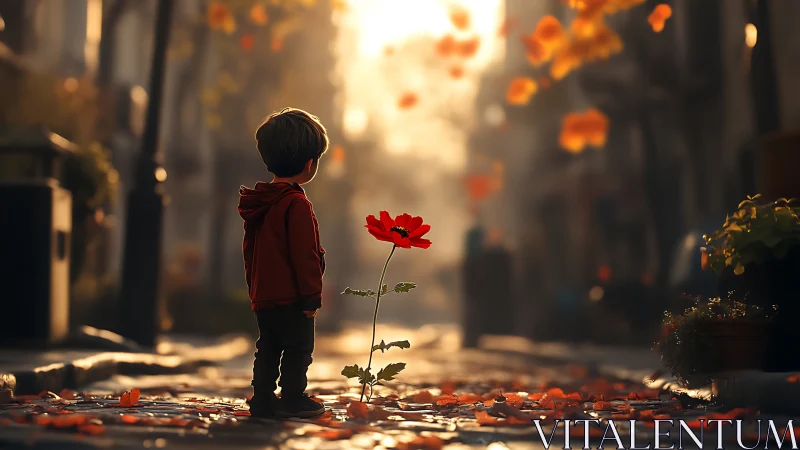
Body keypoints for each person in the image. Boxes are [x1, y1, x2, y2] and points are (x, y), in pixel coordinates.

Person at [237, 108, 328, 418]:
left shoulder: (259, 203)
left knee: (268, 346)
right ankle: (292, 397)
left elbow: (250, 250)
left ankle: (262, 397)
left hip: (264, 295)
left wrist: (255, 290)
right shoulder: (296, 204)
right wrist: (311, 297)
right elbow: (305, 255)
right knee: (298, 348)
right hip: (292, 297)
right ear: (309, 164)